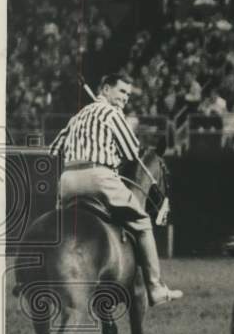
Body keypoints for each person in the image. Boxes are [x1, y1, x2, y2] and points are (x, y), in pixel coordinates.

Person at [48, 73, 183, 306]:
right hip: (98, 178)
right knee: (142, 223)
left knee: (59, 226)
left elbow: (54, 150)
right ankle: (155, 286)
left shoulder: (77, 116)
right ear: (106, 89)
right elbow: (132, 152)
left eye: (128, 95)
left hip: (68, 180)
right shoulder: (112, 114)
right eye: (121, 92)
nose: (125, 98)